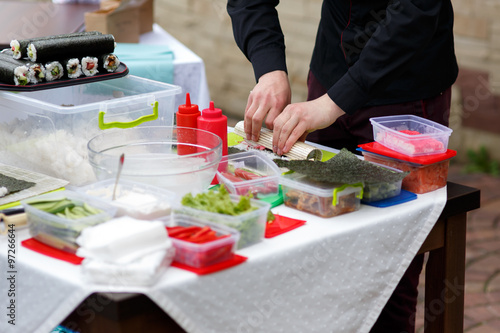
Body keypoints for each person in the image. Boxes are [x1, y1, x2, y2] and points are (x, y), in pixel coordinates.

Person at [227, 0, 458, 332]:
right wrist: (269, 69)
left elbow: (415, 14)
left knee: (391, 268)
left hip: (404, 98)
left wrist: (334, 103)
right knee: (312, 232)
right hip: (329, 75)